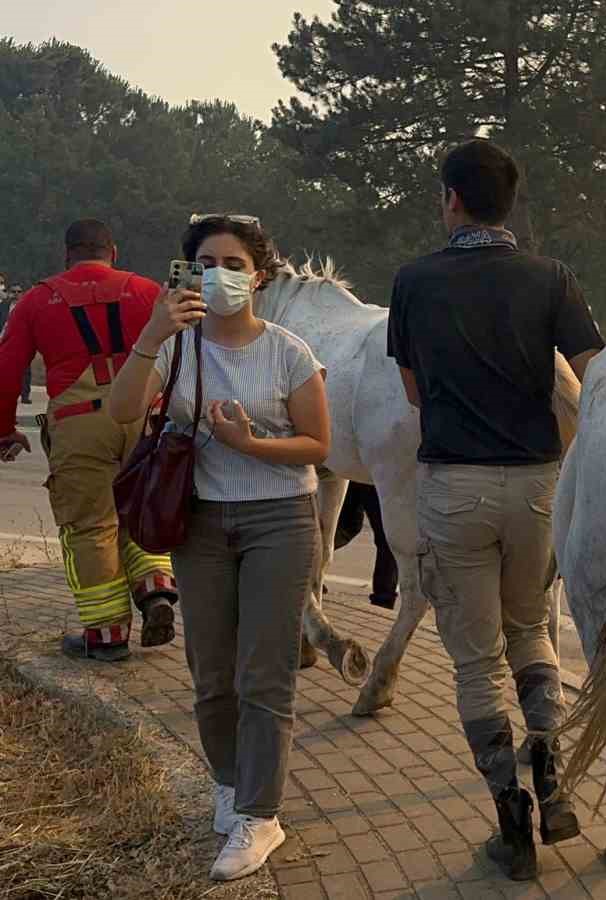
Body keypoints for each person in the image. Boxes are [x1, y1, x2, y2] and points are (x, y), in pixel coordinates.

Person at [388, 139, 604, 880]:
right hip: (538, 485)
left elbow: (414, 391)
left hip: (455, 487)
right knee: (531, 634)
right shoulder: (551, 278)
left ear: (451, 198)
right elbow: (593, 377)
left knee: (476, 661)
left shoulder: (414, 283)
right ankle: (552, 773)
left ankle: (510, 819)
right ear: (508, 202)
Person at [107, 214, 329, 880]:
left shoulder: (288, 351)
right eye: (207, 263)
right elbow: (121, 412)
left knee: (264, 673)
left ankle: (261, 816)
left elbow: (318, 445)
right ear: (187, 273)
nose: (220, 275)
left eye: (234, 264)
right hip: (199, 522)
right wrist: (153, 331)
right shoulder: (175, 347)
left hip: (279, 521)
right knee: (210, 673)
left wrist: (249, 444)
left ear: (259, 275)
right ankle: (231, 785)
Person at [0, 220, 178, 662]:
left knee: (90, 526)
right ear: (112, 252)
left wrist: (4, 430)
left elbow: (6, 371)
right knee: (138, 508)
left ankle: (107, 634)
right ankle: (155, 587)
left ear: (67, 255)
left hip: (78, 423)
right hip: (143, 412)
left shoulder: (37, 300)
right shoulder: (146, 290)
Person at [334, 482, 399, 608]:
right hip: (374, 477)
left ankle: (309, 571)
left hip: (353, 471)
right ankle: (383, 599)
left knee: (346, 527)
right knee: (387, 540)